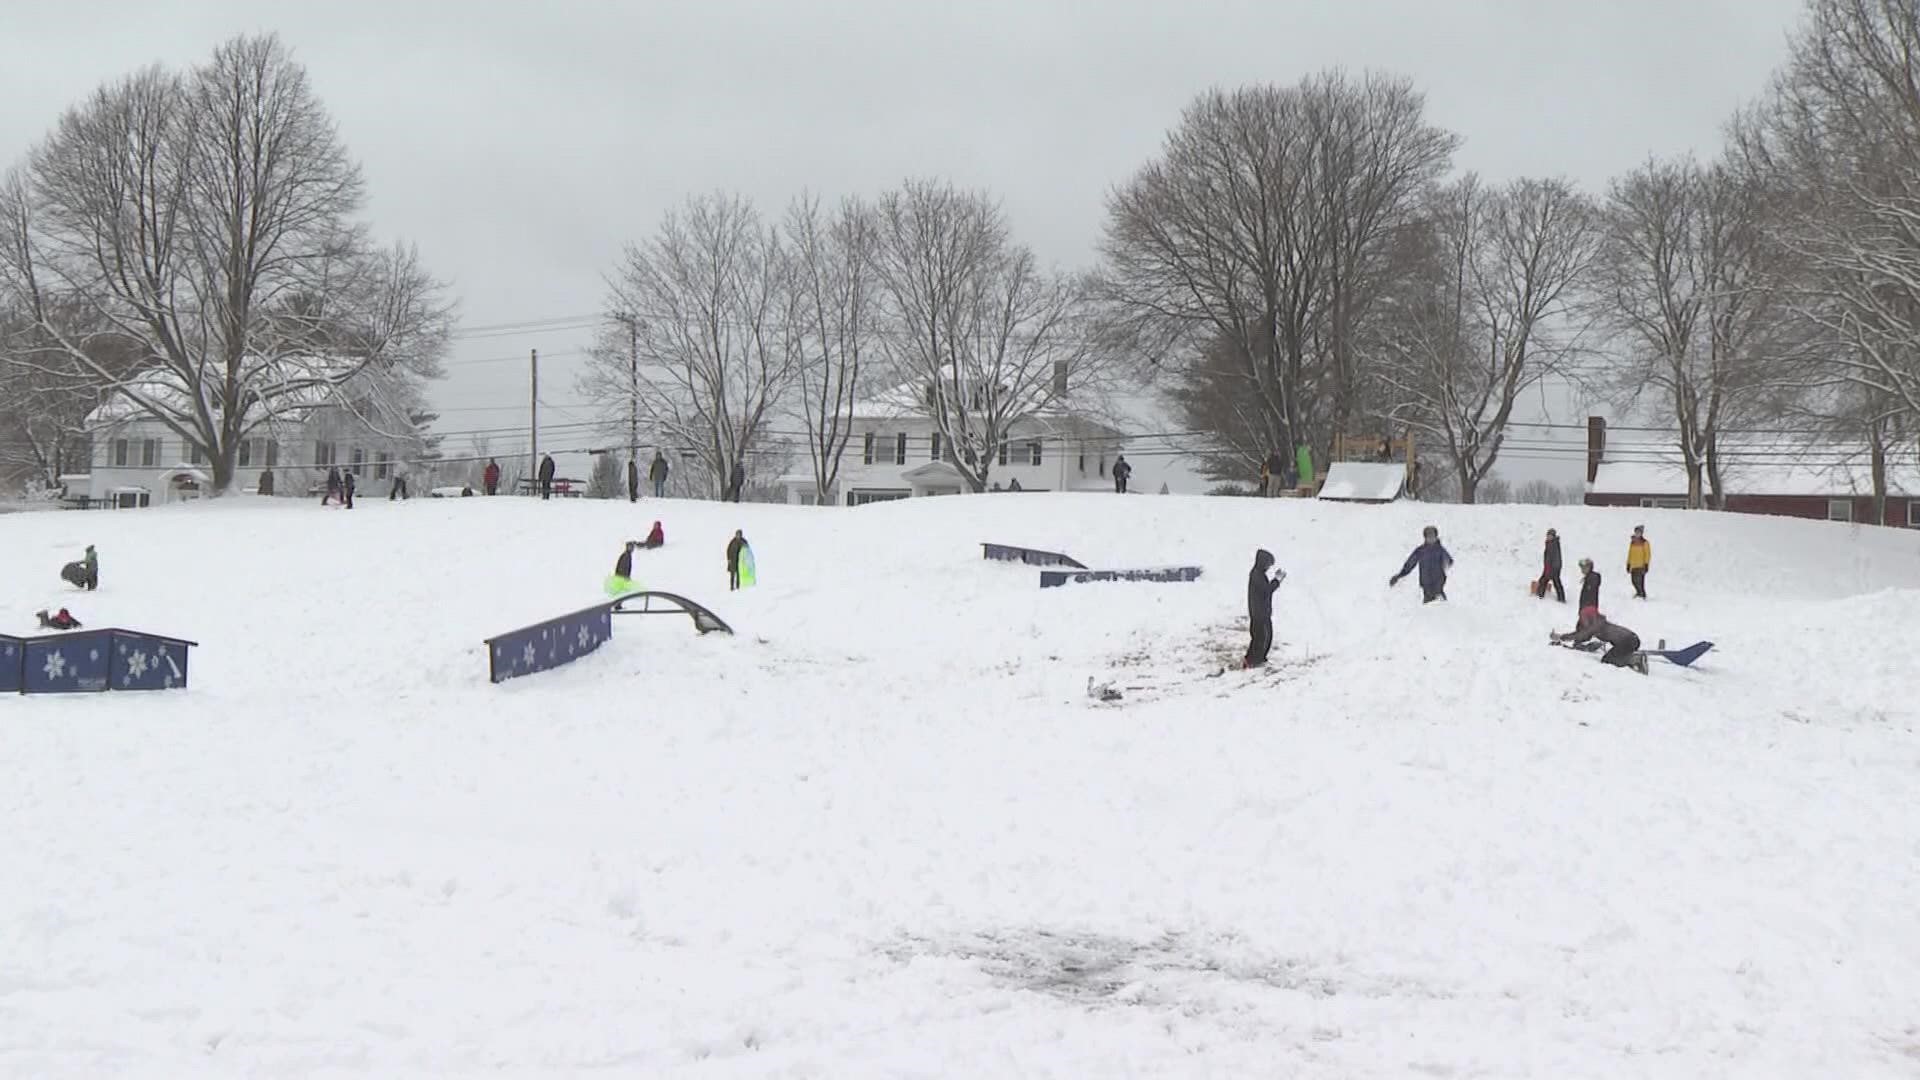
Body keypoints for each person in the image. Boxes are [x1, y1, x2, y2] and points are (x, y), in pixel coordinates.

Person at [1553, 607, 1647, 673]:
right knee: (1613, 656)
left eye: (1583, 618)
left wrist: (1562, 637)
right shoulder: (1599, 622)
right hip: (1631, 639)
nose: (1582, 620)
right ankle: (1632, 660)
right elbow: (1585, 635)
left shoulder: (1595, 626)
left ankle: (1635, 659)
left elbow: (1581, 635)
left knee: (1607, 660)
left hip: (1628, 641)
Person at [1389, 525, 1453, 603]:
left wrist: (1446, 566)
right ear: (1425, 538)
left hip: (1438, 582)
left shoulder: (1440, 550)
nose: (1431, 539)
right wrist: (1400, 575)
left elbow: (1449, 562)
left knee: (1440, 601)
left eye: (1433, 537)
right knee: (1428, 602)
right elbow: (1410, 563)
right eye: (1428, 537)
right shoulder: (1421, 551)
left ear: (1436, 537)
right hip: (1426, 583)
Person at [1245, 549, 1284, 668]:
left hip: (1259, 612)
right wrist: (1277, 580)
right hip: (1260, 613)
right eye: (1268, 564)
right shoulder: (1257, 575)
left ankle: (1253, 659)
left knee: (1260, 637)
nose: (1268, 567)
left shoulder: (1257, 574)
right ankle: (1256, 660)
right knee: (1262, 638)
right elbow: (1266, 591)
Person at [1534, 528, 1565, 602]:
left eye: (1550, 536)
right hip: (1550, 566)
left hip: (1553, 567)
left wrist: (1552, 568)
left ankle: (1540, 595)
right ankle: (1561, 598)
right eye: (1548, 535)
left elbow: (1554, 557)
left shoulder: (1553, 544)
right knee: (1551, 581)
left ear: (1553, 536)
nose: (1548, 537)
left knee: (1546, 580)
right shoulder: (1550, 543)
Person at [1627, 525, 1651, 599]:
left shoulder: (1645, 543)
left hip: (1641, 565)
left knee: (1640, 581)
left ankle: (1642, 594)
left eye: (1639, 532)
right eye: (1636, 532)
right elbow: (1630, 553)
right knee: (1633, 580)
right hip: (1633, 565)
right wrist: (1628, 563)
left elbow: (1647, 554)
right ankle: (1638, 592)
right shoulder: (1632, 542)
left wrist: (1646, 564)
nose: (1637, 534)